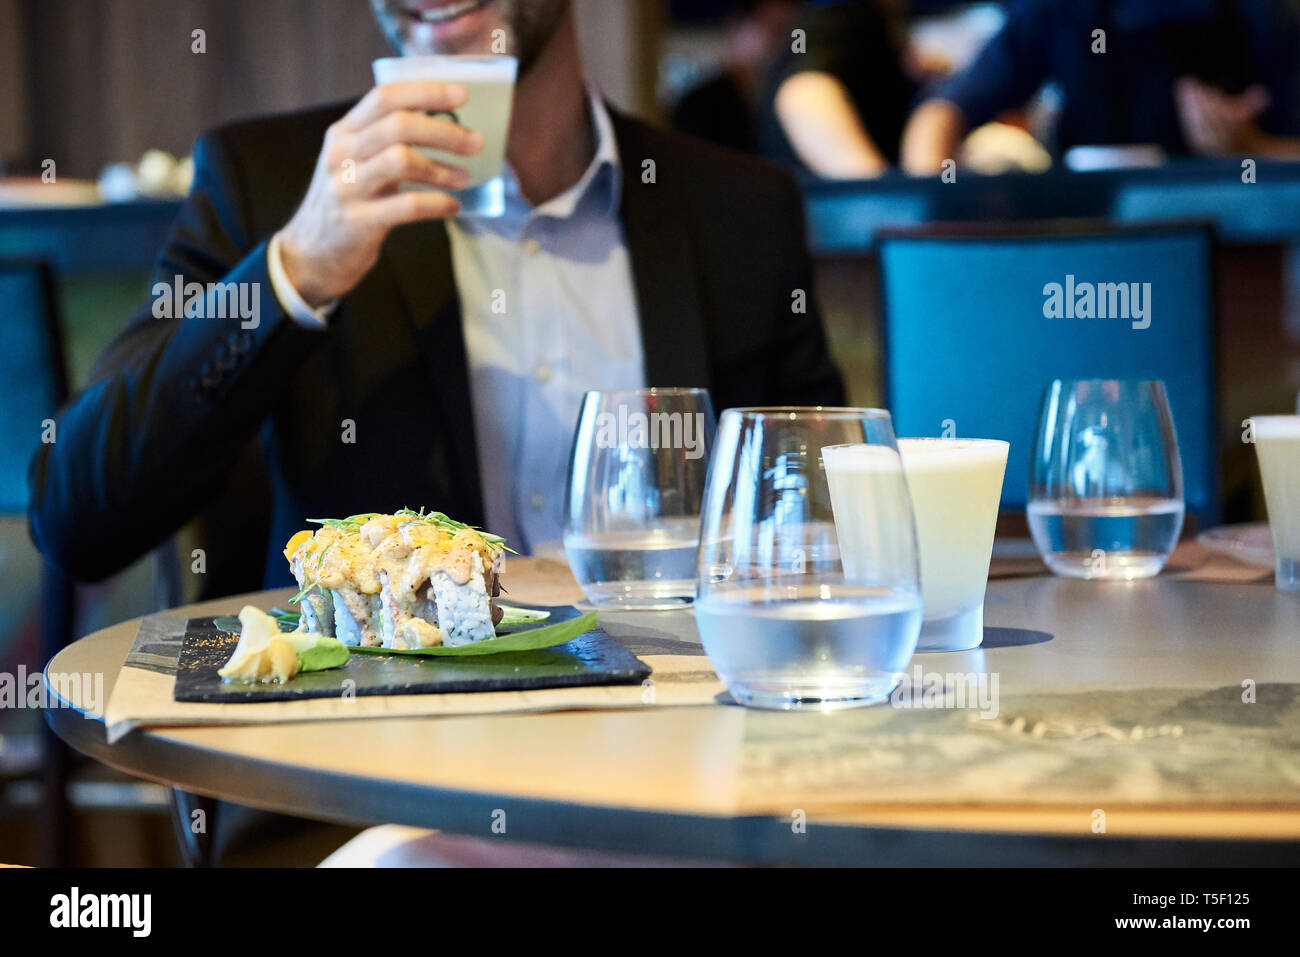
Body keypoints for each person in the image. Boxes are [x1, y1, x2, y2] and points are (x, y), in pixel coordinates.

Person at [28, 0, 844, 590]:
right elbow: (76, 518)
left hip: (678, 748)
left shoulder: (742, 211)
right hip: (382, 758)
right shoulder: (270, 185)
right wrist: (294, 273)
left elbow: (823, 521)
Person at [901, 0, 1300, 174]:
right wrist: (930, 197)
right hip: (1090, 242)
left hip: (1229, 249)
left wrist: (1250, 151)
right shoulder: (1060, 10)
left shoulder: (1260, 15)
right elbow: (943, 110)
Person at [756, 0, 918, 178]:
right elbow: (805, 91)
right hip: (829, 201)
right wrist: (879, 195)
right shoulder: (846, 17)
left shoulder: (824, 19)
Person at [671, 0, 800, 154]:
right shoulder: (699, 107)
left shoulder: (789, 103)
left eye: (793, 36)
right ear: (737, 26)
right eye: (777, 31)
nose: (786, 46)